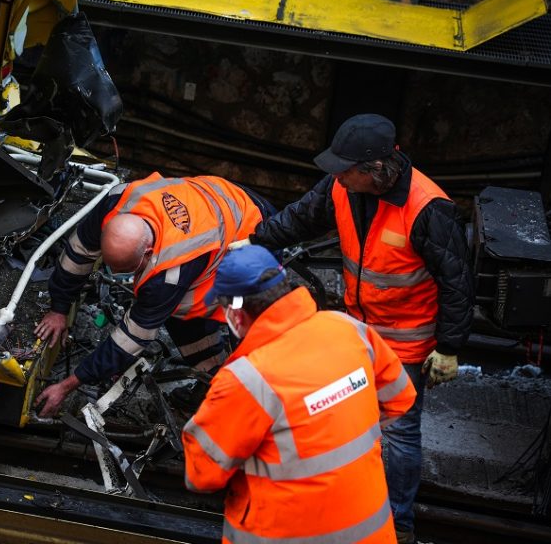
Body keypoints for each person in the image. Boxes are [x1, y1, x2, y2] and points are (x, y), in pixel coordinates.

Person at [249, 113, 474, 544]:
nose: (337, 177)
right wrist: (253, 242)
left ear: (375, 171)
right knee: (345, 419)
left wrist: (449, 346)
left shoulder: (429, 208)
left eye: (345, 169)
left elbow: (457, 281)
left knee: (399, 432)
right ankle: (344, 506)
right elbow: (299, 219)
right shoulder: (343, 185)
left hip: (406, 344)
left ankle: (397, 526)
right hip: (359, 333)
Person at [183, 244, 416, 543]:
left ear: (236, 312)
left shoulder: (246, 381)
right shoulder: (347, 329)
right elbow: (400, 398)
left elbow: (202, 474)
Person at [34, 172, 274, 417]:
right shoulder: (117, 201)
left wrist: (68, 385)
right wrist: (58, 309)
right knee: (172, 306)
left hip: (252, 228)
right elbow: (78, 252)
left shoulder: (171, 273)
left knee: (184, 309)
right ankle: (214, 381)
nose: (113, 272)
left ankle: (228, 393)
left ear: (148, 253)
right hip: (218, 199)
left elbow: (130, 340)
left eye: (125, 268)